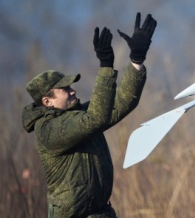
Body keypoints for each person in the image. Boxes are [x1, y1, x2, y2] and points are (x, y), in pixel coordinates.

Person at [22, 13, 157, 217]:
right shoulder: (48, 131)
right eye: (64, 89)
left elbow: (121, 102)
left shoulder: (81, 115)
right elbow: (97, 118)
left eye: (70, 86)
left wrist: (136, 61)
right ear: (46, 101)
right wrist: (105, 67)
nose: (73, 91)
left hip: (101, 213)